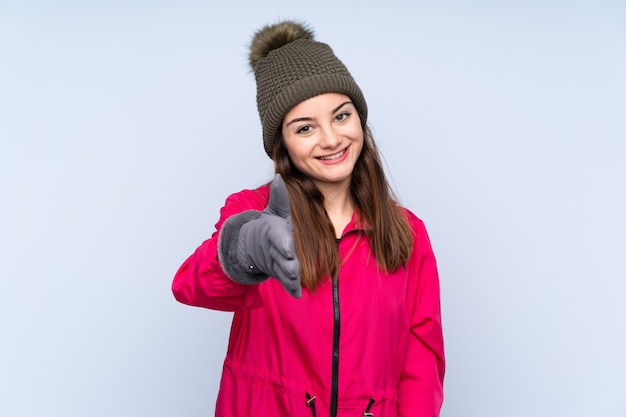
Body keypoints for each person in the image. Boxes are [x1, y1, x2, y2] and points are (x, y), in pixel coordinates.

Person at [172, 20, 445, 417]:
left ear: (359, 119)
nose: (331, 139)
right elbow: (189, 286)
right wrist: (244, 249)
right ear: (282, 142)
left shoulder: (408, 232)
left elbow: (422, 360)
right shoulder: (254, 210)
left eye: (341, 116)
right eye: (305, 128)